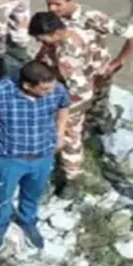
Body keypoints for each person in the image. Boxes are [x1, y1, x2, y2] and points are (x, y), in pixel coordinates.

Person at [0, 60, 71, 252]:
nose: (50, 92)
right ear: (27, 85)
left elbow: (64, 105)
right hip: (8, 159)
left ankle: (27, 221)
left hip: (43, 156)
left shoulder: (56, 89)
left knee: (33, 194)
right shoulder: (0, 92)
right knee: (3, 196)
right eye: (45, 89)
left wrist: (60, 133)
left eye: (51, 87)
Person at [45, 0, 133, 136]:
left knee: (96, 109)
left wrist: (119, 61)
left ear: (71, 1)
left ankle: (98, 133)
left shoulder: (93, 17)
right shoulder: (53, 18)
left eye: (57, 4)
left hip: (96, 71)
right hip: (69, 71)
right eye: (49, 4)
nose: (52, 9)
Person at [29, 11, 99, 198]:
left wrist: (57, 108)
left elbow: (76, 88)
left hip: (72, 98)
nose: (39, 42)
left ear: (55, 34)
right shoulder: (73, 29)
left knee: (68, 135)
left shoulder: (68, 57)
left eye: (41, 38)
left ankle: (71, 177)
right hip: (69, 83)